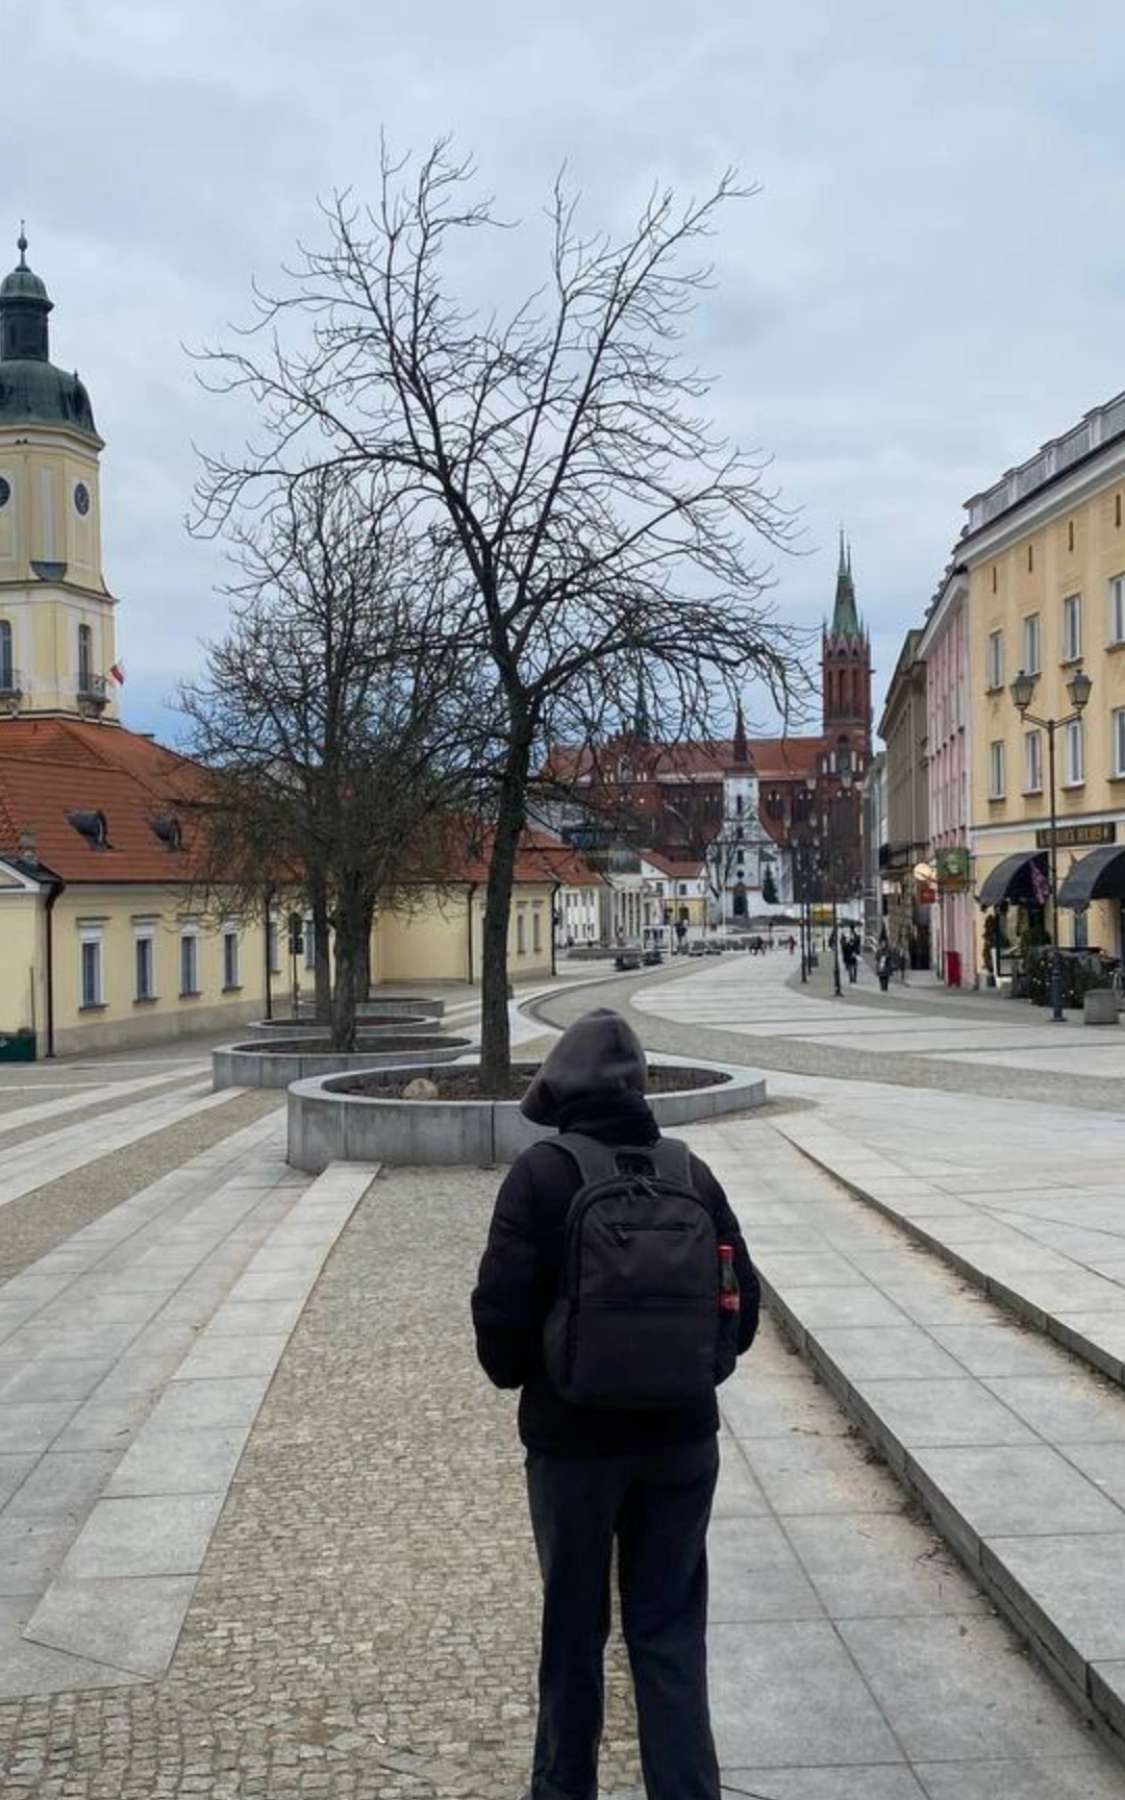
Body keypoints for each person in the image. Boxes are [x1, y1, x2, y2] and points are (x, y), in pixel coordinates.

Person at [472, 1009, 759, 1800]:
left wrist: (546, 1373)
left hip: (572, 1445)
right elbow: (741, 1313)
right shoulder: (690, 1172)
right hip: (681, 1442)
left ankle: (563, 1789)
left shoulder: (540, 1175)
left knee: (572, 1632)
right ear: (639, 1087)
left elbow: (499, 1325)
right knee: (669, 1632)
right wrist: (683, 1373)